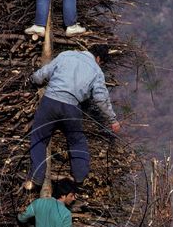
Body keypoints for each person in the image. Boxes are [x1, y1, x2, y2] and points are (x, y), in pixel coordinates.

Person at [24, 45, 121, 190]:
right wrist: (113, 120)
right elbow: (101, 98)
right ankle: (80, 176)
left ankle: (37, 176)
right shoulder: (96, 71)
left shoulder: (66, 55)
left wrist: (33, 79)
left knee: (39, 137)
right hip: (72, 108)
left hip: (50, 102)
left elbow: (44, 73)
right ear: (99, 59)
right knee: (77, 141)